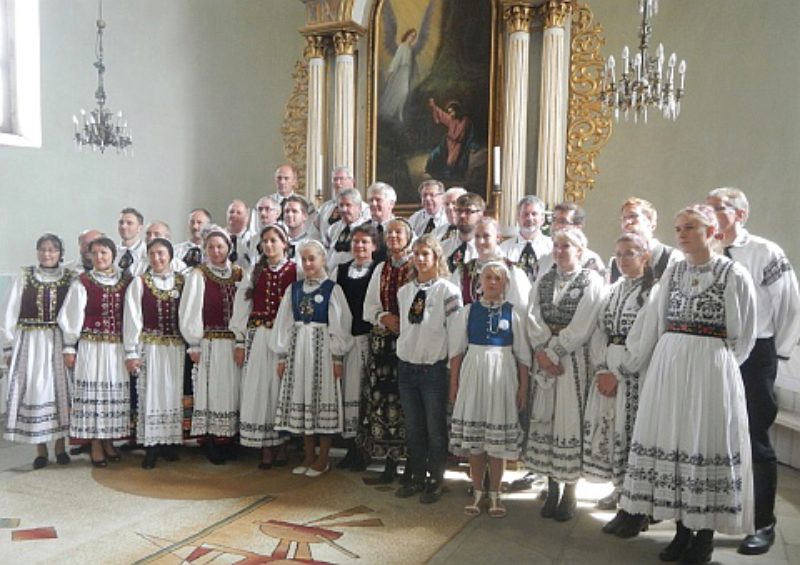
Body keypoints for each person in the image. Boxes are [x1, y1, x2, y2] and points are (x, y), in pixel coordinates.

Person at [619, 204, 757, 564]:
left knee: (704, 441)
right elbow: (657, 319)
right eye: (678, 228)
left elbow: (744, 336)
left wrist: (717, 367)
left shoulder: (733, 273)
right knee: (676, 442)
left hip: (711, 369)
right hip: (671, 365)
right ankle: (682, 532)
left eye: (690, 227)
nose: (681, 234)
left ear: (710, 232)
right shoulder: (674, 271)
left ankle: (705, 537)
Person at [705, 188, 800, 555]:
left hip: (756, 353)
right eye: (707, 207)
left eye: (719, 208)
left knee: (755, 439)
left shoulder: (764, 251)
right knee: (713, 436)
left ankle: (763, 523)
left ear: (740, 214)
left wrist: (777, 355)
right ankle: (708, 518)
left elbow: (789, 303)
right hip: (712, 351)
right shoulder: (703, 249)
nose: (711, 214)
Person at [524, 229, 604, 522]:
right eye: (556, 246)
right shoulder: (544, 281)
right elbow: (532, 317)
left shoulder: (591, 281)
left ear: (580, 250)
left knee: (570, 421)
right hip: (545, 360)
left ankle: (570, 491)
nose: (559, 251)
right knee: (546, 421)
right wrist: (543, 351)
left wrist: (554, 352)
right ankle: (551, 486)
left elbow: (584, 324)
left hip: (574, 361)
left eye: (566, 246)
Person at [584, 233, 654, 535]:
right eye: (619, 254)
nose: (623, 260)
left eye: (630, 253)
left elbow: (645, 338)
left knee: (631, 435)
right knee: (612, 433)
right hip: (607, 368)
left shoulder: (653, 292)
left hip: (634, 373)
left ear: (645, 256)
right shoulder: (612, 290)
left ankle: (637, 508)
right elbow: (599, 330)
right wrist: (601, 368)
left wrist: (620, 373)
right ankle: (621, 495)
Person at [449, 261, 530, 518]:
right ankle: (477, 492)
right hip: (474, 375)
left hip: (503, 377)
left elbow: (523, 358)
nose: (493, 282)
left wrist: (523, 390)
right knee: (476, 442)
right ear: (479, 282)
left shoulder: (513, 313)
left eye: (498, 278)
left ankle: (495, 493)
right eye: (488, 277)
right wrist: (454, 385)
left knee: (497, 443)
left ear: (506, 284)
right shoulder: (468, 311)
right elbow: (457, 352)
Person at [271, 240, 354, 477]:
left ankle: (323, 457)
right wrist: (282, 355)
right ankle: (308, 456)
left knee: (321, 399)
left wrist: (337, 358)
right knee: (303, 399)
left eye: (312, 259)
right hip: (298, 351)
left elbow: (340, 324)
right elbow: (284, 323)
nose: (307, 264)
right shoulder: (294, 290)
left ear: (322, 260)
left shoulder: (331, 289)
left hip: (322, 351)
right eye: (303, 259)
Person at [394, 234, 463, 504]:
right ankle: (416, 476)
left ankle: (435, 478)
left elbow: (456, 338)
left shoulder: (448, 291)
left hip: (433, 370)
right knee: (413, 427)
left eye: (426, 254)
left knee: (435, 428)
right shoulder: (405, 292)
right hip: (407, 368)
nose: (420, 259)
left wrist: (453, 376)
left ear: (436, 257)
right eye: (417, 254)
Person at [1, 234, 74, 469]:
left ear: (60, 253)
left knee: (57, 392)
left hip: (56, 341)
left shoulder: (69, 278)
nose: (47, 254)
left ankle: (60, 446)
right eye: (43, 249)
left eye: (52, 250)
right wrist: (9, 344)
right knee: (34, 390)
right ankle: (40, 449)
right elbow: (11, 311)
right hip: (30, 342)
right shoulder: (25, 276)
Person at [59, 236, 133, 467]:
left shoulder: (126, 280)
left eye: (104, 253)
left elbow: (131, 315)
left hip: (116, 348)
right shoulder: (82, 281)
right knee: (93, 396)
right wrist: (70, 346)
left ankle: (108, 439)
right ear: (89, 256)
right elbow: (72, 316)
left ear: (113, 255)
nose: (100, 257)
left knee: (112, 394)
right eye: (95, 253)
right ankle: (95, 444)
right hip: (91, 347)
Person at [231, 225, 297, 469]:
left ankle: (281, 445)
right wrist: (240, 340)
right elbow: (242, 305)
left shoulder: (295, 270)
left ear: (285, 243)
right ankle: (265, 449)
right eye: (265, 241)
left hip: (284, 338)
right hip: (259, 337)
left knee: (279, 390)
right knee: (259, 389)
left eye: (273, 240)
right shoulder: (255, 272)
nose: (269, 245)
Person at [179, 227, 243, 464]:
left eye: (220, 246)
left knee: (232, 391)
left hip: (233, 344)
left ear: (229, 248)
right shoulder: (199, 274)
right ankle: (211, 440)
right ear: (205, 250)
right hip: (210, 343)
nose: (216, 251)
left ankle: (230, 437)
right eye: (211, 247)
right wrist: (194, 343)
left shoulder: (238, 274)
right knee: (211, 392)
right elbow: (190, 309)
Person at [123, 238, 186, 469]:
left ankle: (169, 443)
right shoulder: (140, 283)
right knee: (151, 394)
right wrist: (131, 351)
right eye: (152, 254)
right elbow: (132, 317)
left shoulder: (182, 281)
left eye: (161, 253)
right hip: (150, 346)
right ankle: (151, 446)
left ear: (170, 255)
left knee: (171, 393)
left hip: (175, 347)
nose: (157, 258)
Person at [361, 218, 416, 481]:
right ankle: (389, 464)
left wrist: (404, 322)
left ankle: (412, 464)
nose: (393, 237)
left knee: (407, 404)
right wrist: (384, 317)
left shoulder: (418, 265)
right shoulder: (380, 268)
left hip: (409, 345)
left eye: (399, 232)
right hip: (383, 346)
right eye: (390, 232)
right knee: (383, 403)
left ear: (409, 236)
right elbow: (368, 306)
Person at [333, 225, 379, 470]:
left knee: (367, 394)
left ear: (374, 246)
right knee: (348, 393)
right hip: (346, 339)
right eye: (356, 242)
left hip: (369, 339)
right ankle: (352, 447)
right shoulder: (340, 271)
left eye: (365, 242)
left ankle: (367, 449)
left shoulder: (378, 270)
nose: (360, 246)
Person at [451, 217, 529, 309]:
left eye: (486, 236)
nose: (481, 241)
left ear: (498, 238)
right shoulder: (463, 271)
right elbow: (455, 310)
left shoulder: (512, 271)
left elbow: (521, 309)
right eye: (477, 236)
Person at [608, 197, 679, 284]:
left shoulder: (672, 257)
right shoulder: (616, 263)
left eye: (633, 216)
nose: (627, 222)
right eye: (623, 219)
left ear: (651, 223)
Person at [500, 195, 553, 285]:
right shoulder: (504, 248)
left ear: (542, 219)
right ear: (518, 218)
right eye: (525, 214)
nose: (529, 218)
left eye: (534, 214)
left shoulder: (552, 247)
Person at [546, 202, 606, 278]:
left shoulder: (591, 260)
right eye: (554, 220)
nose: (556, 226)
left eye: (562, 221)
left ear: (578, 227)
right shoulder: (545, 260)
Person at [315, 166, 369, 249]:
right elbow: (316, 228)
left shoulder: (363, 208)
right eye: (335, 179)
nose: (337, 183)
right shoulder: (325, 207)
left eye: (341, 179)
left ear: (352, 181)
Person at [425, 98, 474, 180]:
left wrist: (450, 137)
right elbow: (442, 114)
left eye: (451, 111)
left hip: (458, 145)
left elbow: (457, 135)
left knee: (451, 162)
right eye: (449, 112)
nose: (450, 114)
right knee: (434, 155)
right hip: (448, 143)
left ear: (457, 111)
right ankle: (435, 172)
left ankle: (450, 176)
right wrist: (434, 106)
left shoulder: (465, 120)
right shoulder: (452, 119)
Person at [327, 188, 369, 274]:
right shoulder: (333, 228)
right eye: (341, 205)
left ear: (359, 207)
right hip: (332, 275)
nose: (344, 210)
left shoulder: (366, 229)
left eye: (348, 205)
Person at [442, 193, 484, 273]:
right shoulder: (442, 248)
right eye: (459, 211)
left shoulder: (485, 250)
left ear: (480, 215)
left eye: (468, 211)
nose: (462, 216)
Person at [365, 181, 397, 262]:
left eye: (378, 200)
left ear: (391, 204)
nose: (373, 204)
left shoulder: (401, 227)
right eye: (371, 200)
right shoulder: (363, 228)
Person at [282, 196, 314, 261]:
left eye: (294, 211)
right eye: (287, 211)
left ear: (305, 216)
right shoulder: (280, 240)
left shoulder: (311, 242)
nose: (289, 215)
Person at [225, 199, 254, 271]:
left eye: (238, 213)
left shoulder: (253, 239)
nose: (233, 215)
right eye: (231, 212)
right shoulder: (217, 237)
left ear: (247, 218)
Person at [116, 207, 146, 276]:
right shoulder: (111, 253)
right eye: (121, 222)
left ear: (140, 228)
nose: (123, 226)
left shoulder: (148, 253)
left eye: (129, 223)